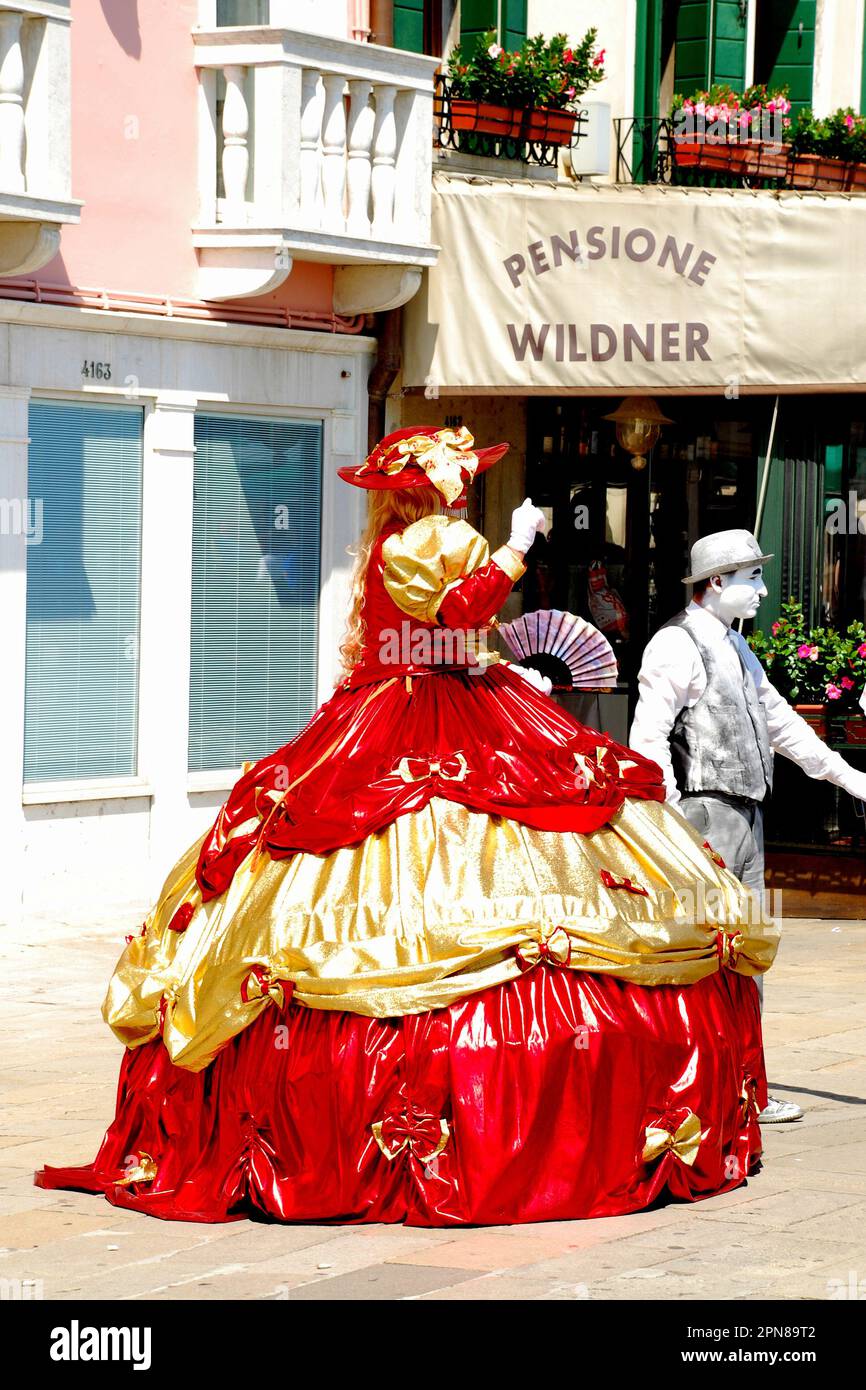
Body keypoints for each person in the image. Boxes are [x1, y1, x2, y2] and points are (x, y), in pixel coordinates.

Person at [37, 429, 777, 1225]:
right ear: (427, 490)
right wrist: (517, 547)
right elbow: (462, 609)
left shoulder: (405, 538)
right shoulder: (421, 541)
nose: (461, 495)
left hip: (448, 697)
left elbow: (449, 631)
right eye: (453, 484)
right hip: (416, 712)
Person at [630, 528, 866, 1125]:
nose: (762, 589)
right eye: (751, 577)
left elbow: (782, 724)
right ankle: (691, 1090)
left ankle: (745, 1090)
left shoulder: (739, 648)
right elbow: (648, 738)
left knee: (747, 955)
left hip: (747, 817)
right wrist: (671, 821)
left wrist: (850, 778)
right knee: (699, 954)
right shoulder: (675, 645)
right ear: (716, 583)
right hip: (705, 817)